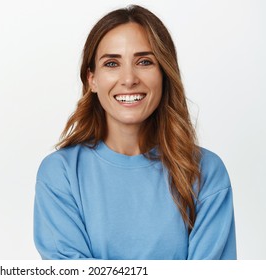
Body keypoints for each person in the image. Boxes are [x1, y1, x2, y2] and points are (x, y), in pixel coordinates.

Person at [33, 5, 236, 260]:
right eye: (111, 63)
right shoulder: (61, 174)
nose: (128, 78)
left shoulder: (206, 172)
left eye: (144, 61)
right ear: (92, 80)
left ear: (164, 73)